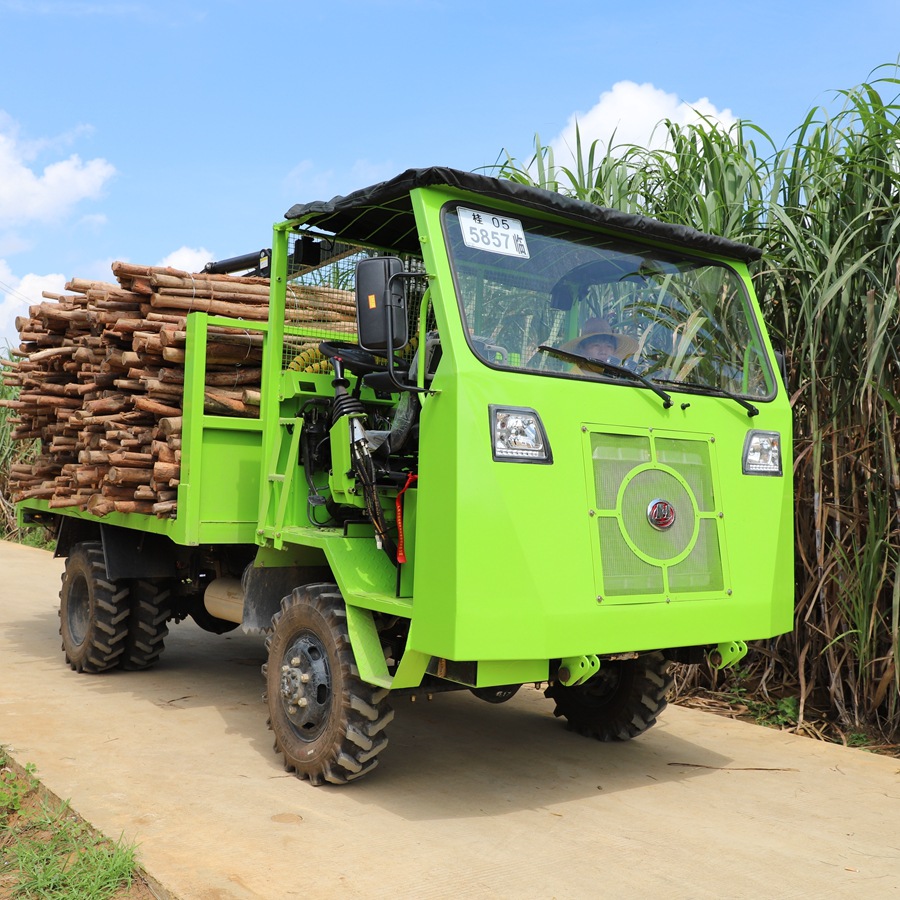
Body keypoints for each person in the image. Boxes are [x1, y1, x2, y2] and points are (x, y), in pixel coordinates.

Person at [560, 317, 638, 370]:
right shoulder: (572, 379)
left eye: (608, 346)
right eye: (596, 345)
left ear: (614, 351)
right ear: (582, 351)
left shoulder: (618, 382)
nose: (603, 351)